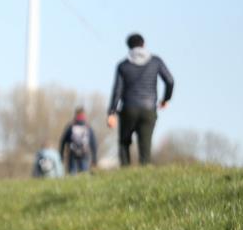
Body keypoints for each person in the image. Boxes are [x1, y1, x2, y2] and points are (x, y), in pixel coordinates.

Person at [107, 33, 174, 166]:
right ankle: (145, 171)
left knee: (124, 142)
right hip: (149, 109)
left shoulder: (123, 65)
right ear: (143, 44)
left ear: (129, 47)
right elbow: (170, 81)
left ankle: (125, 172)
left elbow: (117, 91)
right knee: (145, 144)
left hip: (128, 109)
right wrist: (165, 99)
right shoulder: (156, 61)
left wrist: (111, 112)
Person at [59, 108, 98, 174]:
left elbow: (63, 141)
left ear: (75, 115)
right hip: (84, 152)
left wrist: (61, 155)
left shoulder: (70, 127)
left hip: (73, 153)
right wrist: (94, 158)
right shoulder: (87, 127)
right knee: (84, 173)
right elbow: (93, 144)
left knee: (72, 173)